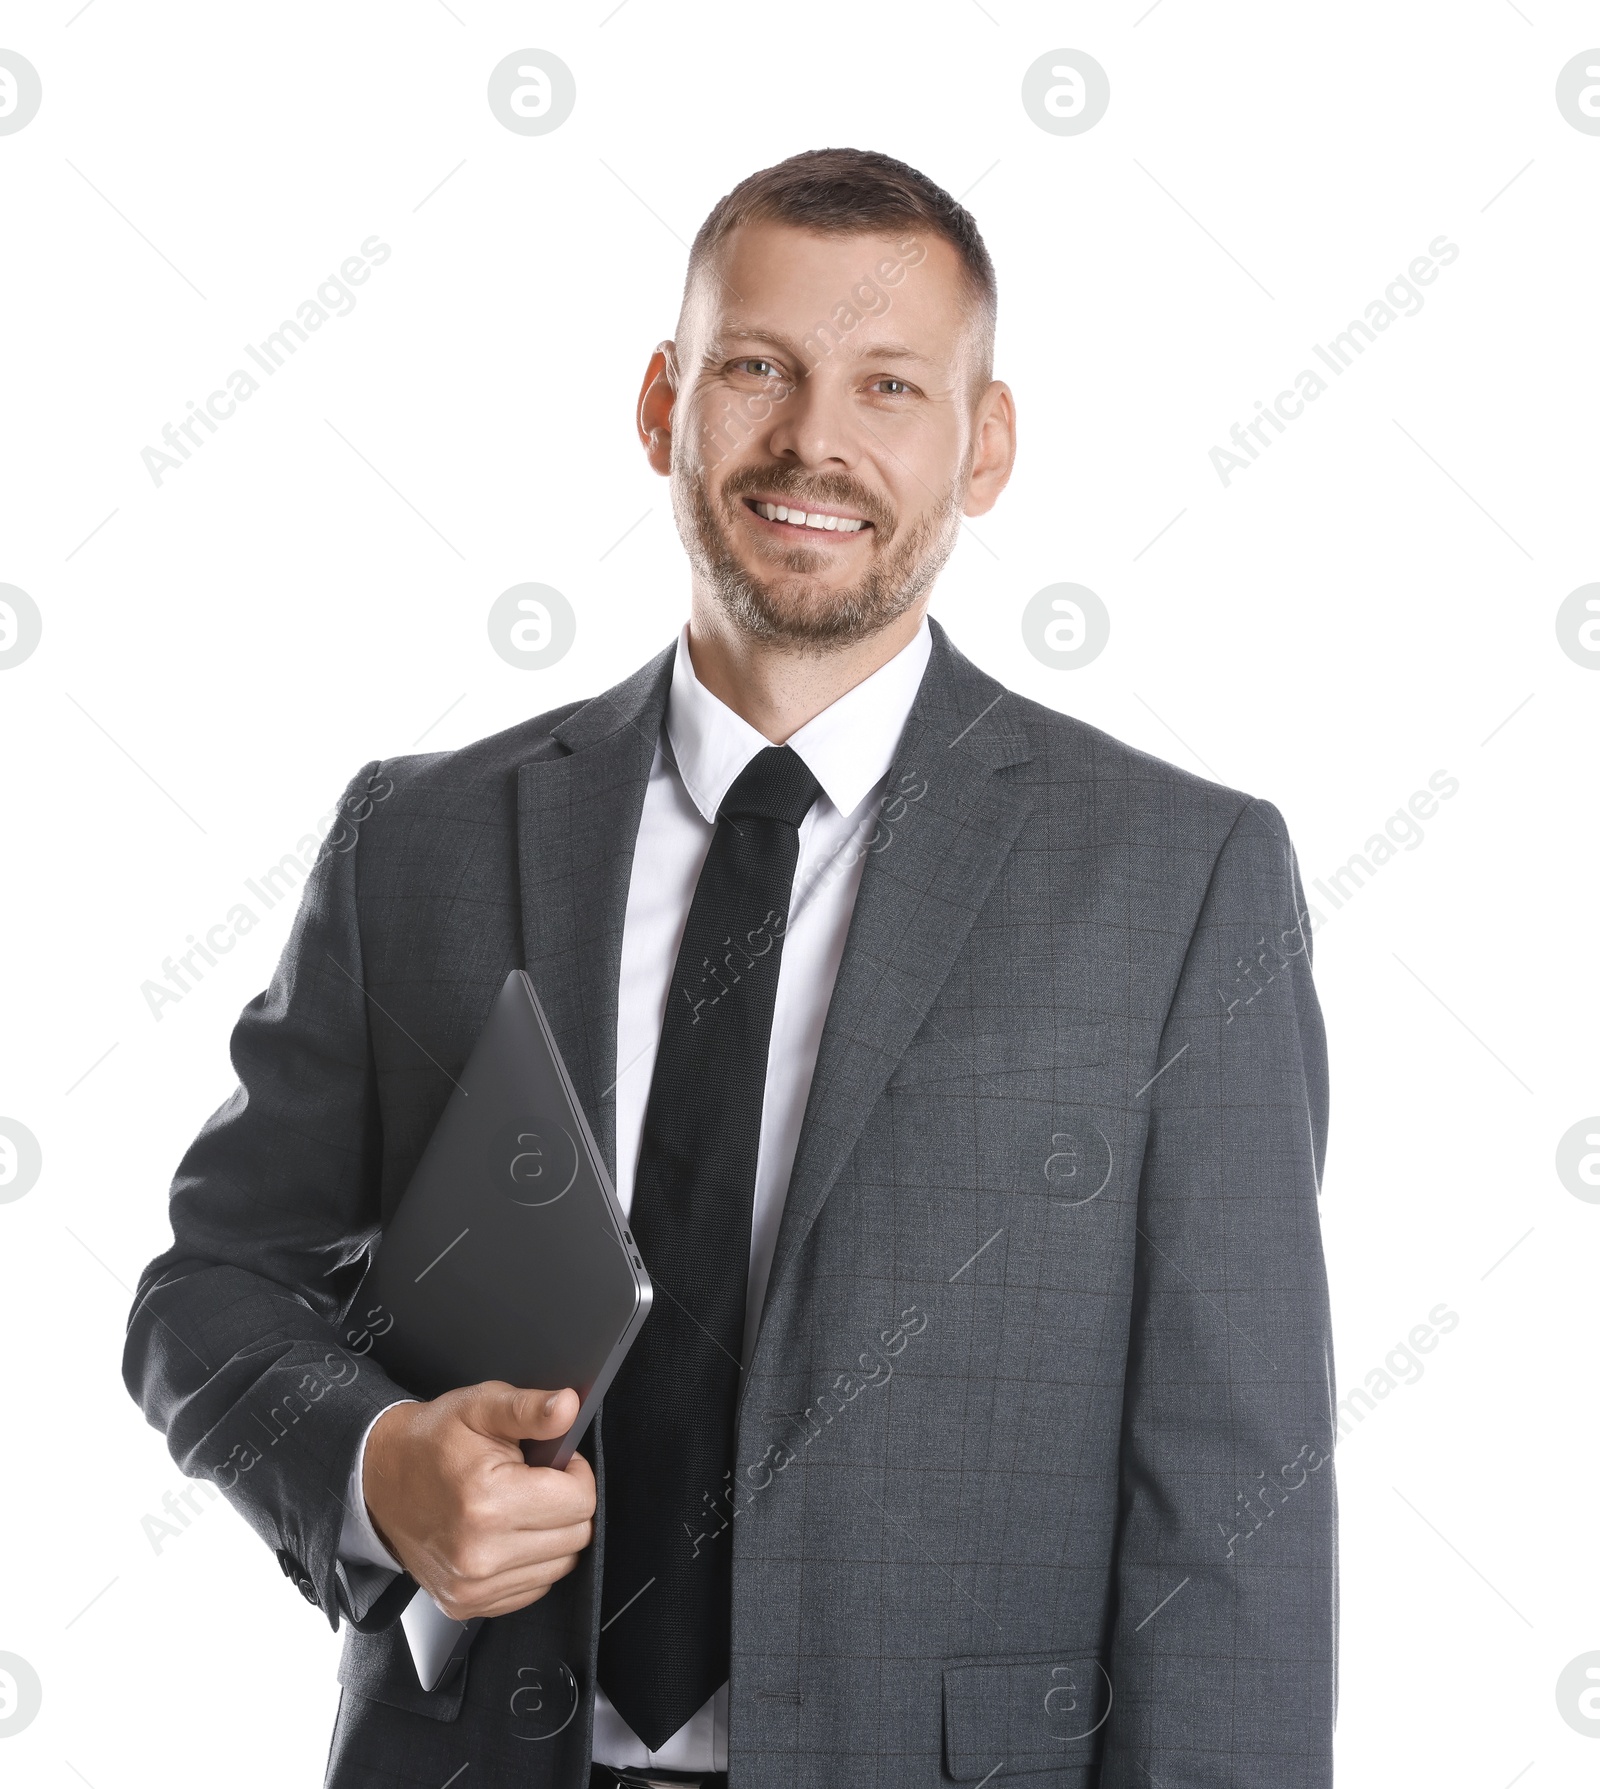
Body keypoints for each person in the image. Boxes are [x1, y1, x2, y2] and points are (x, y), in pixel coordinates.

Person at [124, 147, 1337, 1789]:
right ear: (660, 404)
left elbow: (1232, 1510)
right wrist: (374, 1465)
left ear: (982, 448)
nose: (813, 441)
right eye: (757, 367)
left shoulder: (1178, 882)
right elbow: (209, 1289)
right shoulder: (417, 842)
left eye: (890, 385)